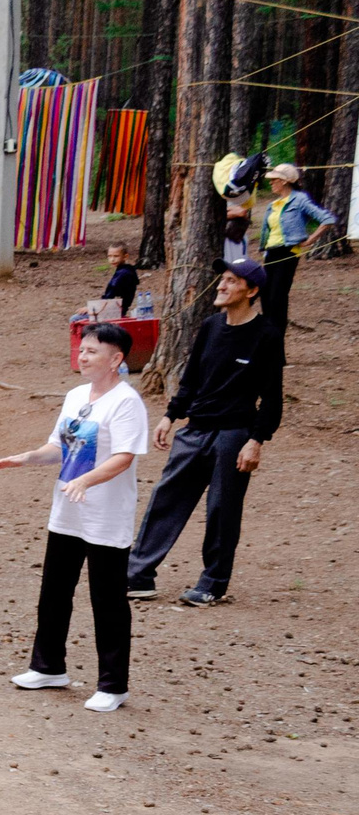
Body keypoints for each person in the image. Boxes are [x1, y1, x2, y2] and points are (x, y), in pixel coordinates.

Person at [0, 323, 148, 712]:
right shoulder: (76, 395)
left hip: (105, 516)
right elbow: (60, 446)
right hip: (67, 511)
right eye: (82, 349)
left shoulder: (126, 402)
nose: (83, 355)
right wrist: (27, 457)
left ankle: (113, 685)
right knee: (54, 591)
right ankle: (48, 667)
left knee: (108, 599)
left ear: (116, 359)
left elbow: (123, 457)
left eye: (93, 351)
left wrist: (87, 480)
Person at [125, 255, 284, 606]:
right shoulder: (211, 326)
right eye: (222, 279)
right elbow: (192, 379)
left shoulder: (267, 336)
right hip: (194, 430)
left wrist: (256, 441)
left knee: (221, 511)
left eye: (232, 281)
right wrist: (170, 416)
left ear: (252, 290)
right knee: (165, 500)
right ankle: (137, 575)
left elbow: (271, 398)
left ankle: (212, 582)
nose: (222, 285)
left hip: (233, 436)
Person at [257, 160, 336, 329]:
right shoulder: (273, 204)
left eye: (274, 179)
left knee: (277, 297)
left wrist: (311, 240)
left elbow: (327, 219)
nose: (270, 182)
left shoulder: (299, 200)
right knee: (265, 295)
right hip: (271, 254)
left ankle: (276, 335)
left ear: (284, 181)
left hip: (288, 253)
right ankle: (268, 334)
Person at [99, 243, 140, 318]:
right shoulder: (128, 270)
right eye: (110, 256)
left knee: (75, 318)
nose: (112, 259)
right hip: (119, 309)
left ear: (125, 256)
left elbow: (110, 295)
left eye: (116, 256)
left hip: (113, 311)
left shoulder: (122, 274)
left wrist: (92, 309)